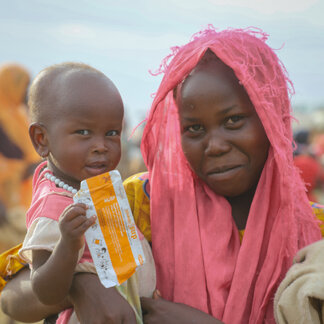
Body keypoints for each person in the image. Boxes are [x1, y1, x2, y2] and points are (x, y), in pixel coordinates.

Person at [1, 26, 324, 324]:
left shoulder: (314, 236)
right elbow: (14, 296)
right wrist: (83, 286)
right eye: (194, 128)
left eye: (234, 120)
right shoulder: (136, 204)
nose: (215, 146)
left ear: (272, 118)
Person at [2, 62, 155, 324]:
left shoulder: (102, 190)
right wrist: (67, 246)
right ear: (41, 139)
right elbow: (44, 290)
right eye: (83, 132)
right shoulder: (55, 207)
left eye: (112, 133)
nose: (101, 146)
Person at [0, 63, 40, 252]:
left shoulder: (21, 115)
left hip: (24, 190)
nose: (26, 92)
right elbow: (12, 153)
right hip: (5, 192)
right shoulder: (2, 116)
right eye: (24, 86)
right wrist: (30, 165)